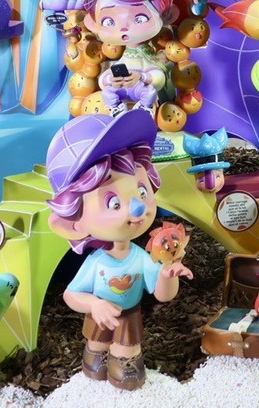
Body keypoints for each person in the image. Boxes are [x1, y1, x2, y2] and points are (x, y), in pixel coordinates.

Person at [46, 110, 194, 391]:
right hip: (101, 313)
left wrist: (168, 274)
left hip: (128, 314)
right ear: (75, 224)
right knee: (97, 344)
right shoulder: (96, 262)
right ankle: (95, 360)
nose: (138, 208)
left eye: (142, 192)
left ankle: (123, 365)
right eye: (114, 203)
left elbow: (163, 295)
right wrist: (94, 305)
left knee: (127, 350)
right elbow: (71, 295)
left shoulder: (140, 257)